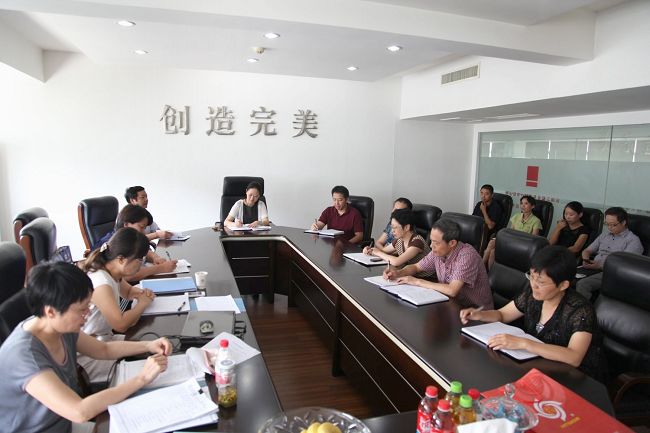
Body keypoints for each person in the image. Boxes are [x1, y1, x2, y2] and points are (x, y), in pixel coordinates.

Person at [0, 262, 170, 433]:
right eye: (82, 310)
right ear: (51, 312)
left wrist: (148, 345)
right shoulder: (24, 357)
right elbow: (79, 412)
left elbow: (103, 349)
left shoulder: (58, 325)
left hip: (64, 425)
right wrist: (142, 378)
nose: (87, 314)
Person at [460, 246, 605, 380]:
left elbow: (574, 357)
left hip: (573, 378)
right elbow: (503, 315)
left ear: (563, 285)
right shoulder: (534, 295)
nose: (533, 285)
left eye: (541, 282)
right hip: (538, 367)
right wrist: (480, 315)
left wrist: (524, 343)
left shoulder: (580, 310)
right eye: (532, 276)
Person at [80, 227, 158, 382]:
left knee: (152, 351)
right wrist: (142, 304)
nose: (141, 264)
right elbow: (120, 324)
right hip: (90, 352)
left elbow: (128, 292)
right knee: (149, 367)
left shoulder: (111, 270)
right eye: (139, 260)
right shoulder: (101, 282)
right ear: (121, 259)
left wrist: (142, 294)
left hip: (104, 340)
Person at [383, 219, 494, 309]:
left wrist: (417, 281)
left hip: (476, 314)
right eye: (431, 241)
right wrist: (398, 273)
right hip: (450, 304)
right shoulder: (437, 252)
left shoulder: (467, 255)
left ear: (452, 243)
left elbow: (452, 290)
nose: (431, 246)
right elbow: (416, 267)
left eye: (435, 243)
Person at [92, 204, 177, 279]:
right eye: (141, 227)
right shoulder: (116, 244)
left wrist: (155, 257)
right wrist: (161, 268)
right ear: (126, 225)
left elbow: (139, 251)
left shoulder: (128, 240)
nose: (144, 232)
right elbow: (127, 275)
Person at [576, 207, 643, 301]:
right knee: (563, 275)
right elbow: (587, 250)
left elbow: (624, 266)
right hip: (593, 267)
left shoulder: (633, 241)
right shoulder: (605, 234)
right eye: (607, 224)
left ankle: (583, 309)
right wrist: (585, 259)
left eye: (613, 225)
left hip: (611, 273)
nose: (609, 228)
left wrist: (600, 266)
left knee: (583, 284)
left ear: (623, 222)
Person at [363, 209, 433, 278]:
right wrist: (370, 250)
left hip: (428, 278)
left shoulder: (417, 242)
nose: (392, 231)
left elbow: (397, 261)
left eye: (394, 227)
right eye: (391, 227)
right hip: (411, 276)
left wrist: (378, 252)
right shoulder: (399, 240)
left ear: (406, 227)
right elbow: (384, 251)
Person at [483, 195, 542, 267]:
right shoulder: (517, 216)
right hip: (512, 241)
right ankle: (483, 266)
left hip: (523, 246)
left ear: (532, 206)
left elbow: (534, 240)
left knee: (491, 251)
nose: (523, 206)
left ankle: (481, 266)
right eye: (521, 203)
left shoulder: (536, 221)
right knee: (492, 245)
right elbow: (510, 232)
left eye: (526, 203)